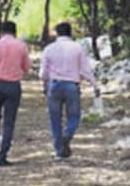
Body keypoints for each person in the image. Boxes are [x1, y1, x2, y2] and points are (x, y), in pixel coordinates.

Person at [39, 21, 99, 160]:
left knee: (55, 119)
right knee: (74, 116)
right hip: (72, 85)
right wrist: (95, 85)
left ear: (57, 33)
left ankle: (59, 151)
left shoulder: (49, 49)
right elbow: (85, 69)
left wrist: (45, 85)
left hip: (54, 86)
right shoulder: (77, 48)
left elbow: (43, 73)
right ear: (70, 33)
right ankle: (68, 135)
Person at [0, 20, 31, 167]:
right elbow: (27, 67)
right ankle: (3, 154)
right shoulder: (21, 46)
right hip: (13, 86)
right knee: (9, 121)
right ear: (15, 32)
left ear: (1, 32)